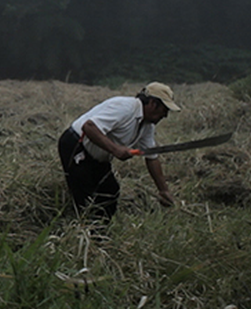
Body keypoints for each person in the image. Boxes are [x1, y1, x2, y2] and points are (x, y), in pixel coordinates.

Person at [58, 82, 180, 223]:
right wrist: (116, 150)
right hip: (75, 146)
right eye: (165, 110)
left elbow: (151, 157)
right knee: (85, 197)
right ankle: (81, 234)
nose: (165, 115)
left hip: (98, 156)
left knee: (110, 192)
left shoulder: (147, 125)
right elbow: (89, 127)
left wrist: (163, 190)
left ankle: (99, 235)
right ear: (153, 103)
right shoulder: (125, 108)